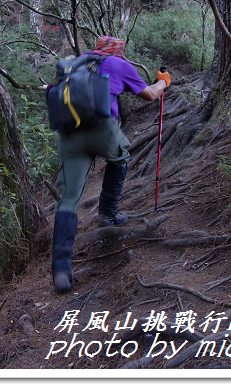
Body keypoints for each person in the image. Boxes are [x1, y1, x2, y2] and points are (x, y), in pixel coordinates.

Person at [51, 36, 170, 293]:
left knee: (69, 200)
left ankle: (61, 270)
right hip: (103, 132)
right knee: (120, 157)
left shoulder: (76, 64)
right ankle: (107, 214)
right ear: (119, 51)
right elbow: (149, 95)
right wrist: (163, 82)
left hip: (68, 136)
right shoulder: (119, 64)